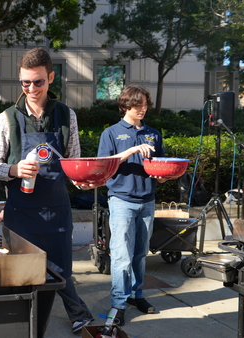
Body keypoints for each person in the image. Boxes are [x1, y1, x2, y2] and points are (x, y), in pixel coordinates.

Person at [0, 47, 94, 334]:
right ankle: (23, 323)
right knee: (21, 272)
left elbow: (73, 162)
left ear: (51, 78)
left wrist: (82, 180)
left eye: (38, 82)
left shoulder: (66, 116)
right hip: (20, 213)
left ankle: (76, 315)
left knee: (59, 270)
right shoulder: (5, 119)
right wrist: (14, 170)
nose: (31, 88)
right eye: (25, 83)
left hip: (57, 211)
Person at [97, 84, 168, 326]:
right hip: (122, 201)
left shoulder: (154, 134)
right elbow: (104, 164)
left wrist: (164, 175)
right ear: (126, 105)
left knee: (139, 254)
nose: (143, 109)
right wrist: (133, 149)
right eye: (139, 105)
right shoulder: (111, 133)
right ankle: (118, 303)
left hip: (148, 200)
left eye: (146, 105)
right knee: (121, 256)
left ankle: (137, 295)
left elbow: (160, 164)